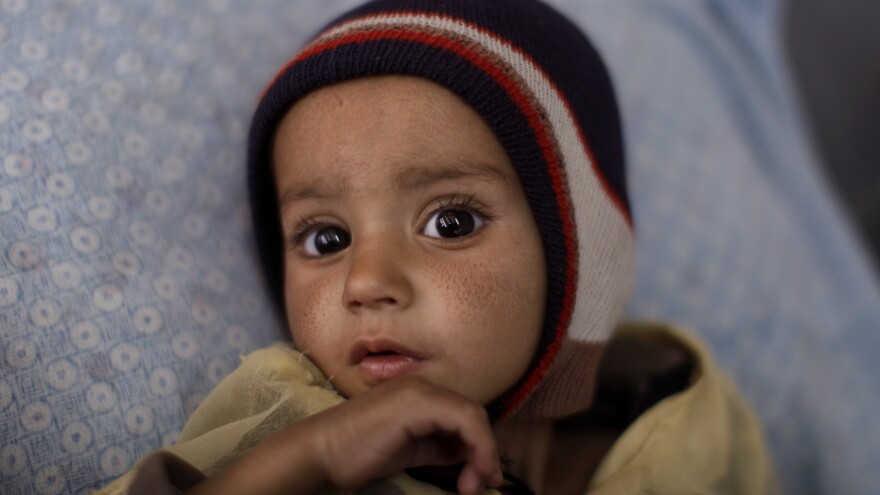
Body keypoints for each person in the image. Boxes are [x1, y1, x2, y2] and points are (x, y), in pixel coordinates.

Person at [98, 0, 779, 493]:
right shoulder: (287, 432)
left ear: (578, 250)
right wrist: (319, 458)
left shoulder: (687, 416)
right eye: (326, 238)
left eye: (450, 223)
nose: (365, 280)